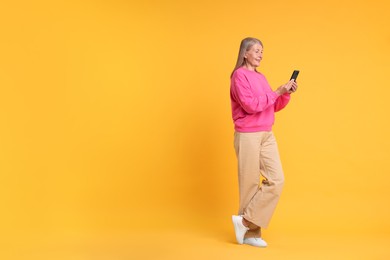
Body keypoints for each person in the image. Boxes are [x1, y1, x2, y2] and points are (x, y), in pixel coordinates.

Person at [230, 37, 298, 247]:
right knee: (250, 184)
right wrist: (276, 92)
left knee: (277, 180)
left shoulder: (261, 77)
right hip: (248, 134)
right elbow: (250, 105)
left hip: (266, 133)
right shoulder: (239, 76)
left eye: (262, 51)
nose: (260, 54)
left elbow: (271, 105)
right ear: (245, 53)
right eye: (256, 50)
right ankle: (251, 235)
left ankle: (245, 222)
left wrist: (284, 94)